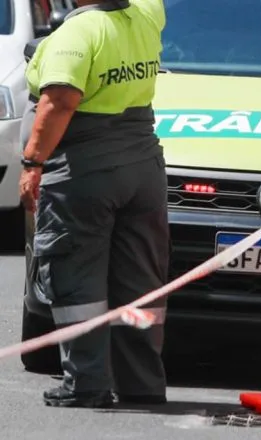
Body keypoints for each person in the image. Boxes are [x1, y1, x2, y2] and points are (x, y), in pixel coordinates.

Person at [19, 0, 169, 408]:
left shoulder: (76, 34)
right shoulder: (145, 15)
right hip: (142, 162)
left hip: (86, 167)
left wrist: (32, 162)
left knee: (76, 275)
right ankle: (141, 383)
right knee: (139, 278)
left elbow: (59, 102)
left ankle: (86, 383)